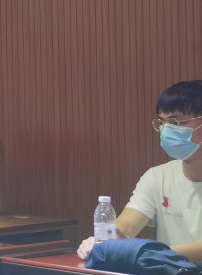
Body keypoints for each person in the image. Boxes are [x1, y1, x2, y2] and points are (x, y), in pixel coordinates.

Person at [78, 80, 202, 264]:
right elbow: (125, 226)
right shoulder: (158, 176)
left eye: (175, 122)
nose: (165, 130)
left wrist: (153, 253)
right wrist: (104, 241)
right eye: (162, 122)